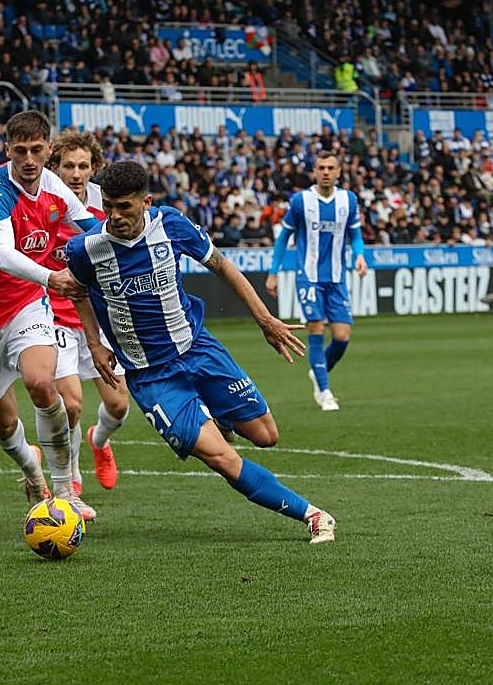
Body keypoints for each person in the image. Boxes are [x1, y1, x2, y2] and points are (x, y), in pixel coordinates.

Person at [65, 161, 335, 544]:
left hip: (199, 349)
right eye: (108, 205)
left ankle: (218, 418)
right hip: (151, 377)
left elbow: (222, 266)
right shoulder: (85, 248)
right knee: (222, 458)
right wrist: (94, 343)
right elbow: (76, 291)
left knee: (266, 436)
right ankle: (313, 515)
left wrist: (264, 319)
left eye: (124, 206)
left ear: (146, 202)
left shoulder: (172, 225)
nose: (115, 216)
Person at [0, 111, 98, 520]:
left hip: (27, 304)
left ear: (49, 149)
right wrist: (54, 277)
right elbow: (2, 256)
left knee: (40, 382)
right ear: (8, 149)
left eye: (37, 150)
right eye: (21, 150)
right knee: (3, 424)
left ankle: (66, 492)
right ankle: (32, 472)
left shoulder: (55, 188)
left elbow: (92, 230)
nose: (30, 159)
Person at [44, 130, 130, 495]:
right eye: (68, 166)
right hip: (55, 315)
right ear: (56, 167)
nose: (76, 173)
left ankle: (99, 441)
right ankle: (72, 476)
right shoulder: (42, 200)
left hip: (98, 315)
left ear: (94, 168)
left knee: (118, 405)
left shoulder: (104, 206)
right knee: (71, 404)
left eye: (83, 166)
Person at [265, 151, 368, 411]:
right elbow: (283, 238)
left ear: (338, 171)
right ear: (314, 171)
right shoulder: (301, 201)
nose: (325, 172)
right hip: (308, 278)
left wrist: (360, 256)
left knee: (343, 337)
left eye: (330, 167)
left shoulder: (348, 200)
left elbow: (355, 236)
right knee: (316, 330)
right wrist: (273, 272)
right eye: (321, 167)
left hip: (337, 278)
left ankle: (318, 370)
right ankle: (324, 391)